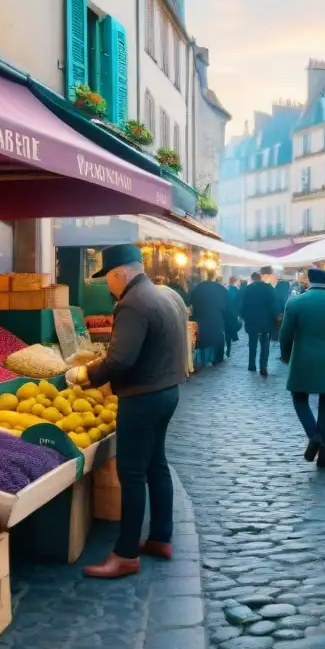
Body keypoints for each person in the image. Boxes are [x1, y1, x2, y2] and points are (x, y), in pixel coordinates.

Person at [76, 244, 187, 579]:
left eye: (107, 278)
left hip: (142, 398)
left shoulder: (132, 303)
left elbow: (120, 359)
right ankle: (160, 537)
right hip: (167, 392)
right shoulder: (161, 295)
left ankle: (125, 554)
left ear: (120, 273)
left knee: (133, 474)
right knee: (157, 465)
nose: (107, 285)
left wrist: (85, 376)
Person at [279, 267, 325, 469]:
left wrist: (286, 356)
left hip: (303, 358)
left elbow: (285, 335)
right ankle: (323, 454)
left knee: (299, 399)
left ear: (308, 280)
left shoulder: (294, 303)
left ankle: (314, 436)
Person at [238, 271, 279, 376]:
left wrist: (244, 317)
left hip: (251, 321)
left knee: (252, 343)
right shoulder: (268, 288)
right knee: (265, 344)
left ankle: (251, 365)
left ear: (252, 279)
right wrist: (276, 316)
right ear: (260, 278)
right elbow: (274, 303)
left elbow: (241, 305)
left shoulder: (247, 289)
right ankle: (263, 366)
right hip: (266, 321)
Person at [188, 273, 230, 365]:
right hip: (216, 318)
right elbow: (227, 306)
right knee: (218, 338)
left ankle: (202, 359)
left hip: (201, 318)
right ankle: (218, 358)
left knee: (202, 337)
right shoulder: (220, 288)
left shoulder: (198, 288)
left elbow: (190, 302)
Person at [225, 277, 241, 358]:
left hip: (227, 312)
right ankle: (228, 349)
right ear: (235, 281)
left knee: (228, 330)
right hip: (234, 313)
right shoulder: (236, 291)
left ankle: (228, 349)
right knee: (232, 329)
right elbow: (239, 302)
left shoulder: (226, 290)